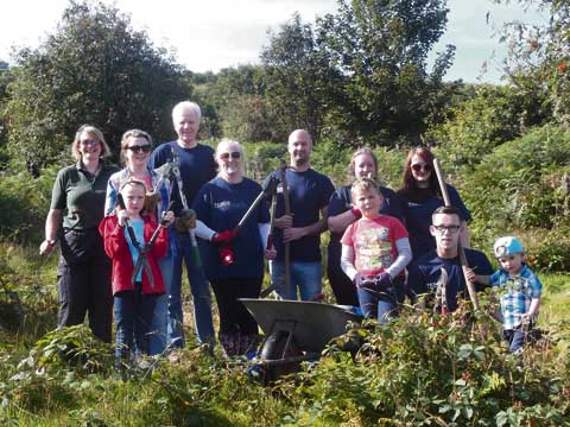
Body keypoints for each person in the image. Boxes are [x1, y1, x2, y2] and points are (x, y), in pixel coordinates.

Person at [192, 139, 272, 357]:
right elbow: (194, 222)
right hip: (220, 264)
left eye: (235, 155)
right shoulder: (209, 190)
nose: (231, 160)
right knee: (228, 311)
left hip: (250, 263)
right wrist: (214, 236)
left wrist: (267, 246)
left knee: (248, 313)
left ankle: (251, 358)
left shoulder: (254, 189)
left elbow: (263, 223)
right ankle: (232, 359)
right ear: (217, 160)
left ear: (242, 158)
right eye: (225, 155)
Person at [39, 125, 119, 342]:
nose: (90, 145)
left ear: (101, 145)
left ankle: (99, 357)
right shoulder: (67, 174)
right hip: (74, 243)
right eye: (85, 142)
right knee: (71, 306)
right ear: (78, 146)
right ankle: (65, 356)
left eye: (94, 141)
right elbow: (55, 212)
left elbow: (129, 203)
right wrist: (49, 239)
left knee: (102, 306)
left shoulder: (114, 174)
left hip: (105, 244)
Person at [149, 101, 216, 347]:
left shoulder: (208, 155)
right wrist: (168, 219)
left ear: (198, 124)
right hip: (169, 233)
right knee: (171, 292)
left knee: (201, 290)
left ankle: (206, 343)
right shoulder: (162, 152)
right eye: (182, 122)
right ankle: (175, 344)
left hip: (199, 232)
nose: (186, 127)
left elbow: (216, 191)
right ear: (174, 124)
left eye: (191, 122)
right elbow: (151, 191)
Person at [104, 129, 175, 355]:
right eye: (135, 148)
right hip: (128, 255)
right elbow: (108, 217)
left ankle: (155, 360)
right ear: (125, 151)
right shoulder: (116, 181)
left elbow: (167, 212)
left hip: (158, 251)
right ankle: (129, 361)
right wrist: (123, 216)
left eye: (145, 147)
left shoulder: (161, 180)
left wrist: (169, 220)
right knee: (128, 315)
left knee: (159, 308)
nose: (141, 152)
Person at [99, 179, 173, 368]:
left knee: (143, 330)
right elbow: (112, 251)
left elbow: (160, 251)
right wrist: (120, 226)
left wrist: (163, 228)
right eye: (130, 197)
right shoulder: (111, 222)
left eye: (140, 197)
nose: (135, 202)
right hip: (124, 284)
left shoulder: (150, 222)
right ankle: (122, 372)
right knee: (124, 330)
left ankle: (142, 371)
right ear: (121, 198)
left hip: (148, 284)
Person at [263, 129, 335, 301]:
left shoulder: (321, 182)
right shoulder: (274, 179)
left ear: (310, 147)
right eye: (295, 144)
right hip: (280, 260)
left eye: (304, 144)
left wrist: (302, 231)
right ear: (289, 147)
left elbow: (328, 220)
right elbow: (259, 215)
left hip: (309, 260)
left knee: (312, 309)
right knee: (285, 311)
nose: (299, 148)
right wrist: (276, 222)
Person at [328, 147, 405, 306]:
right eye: (361, 166)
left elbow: (399, 231)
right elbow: (334, 225)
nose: (366, 169)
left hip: (384, 272)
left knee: (383, 315)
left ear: (376, 168)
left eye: (370, 165)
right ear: (354, 168)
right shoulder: (342, 194)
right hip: (347, 269)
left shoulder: (388, 195)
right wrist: (359, 208)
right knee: (350, 313)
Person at [340, 178, 411, 323]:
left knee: (387, 324)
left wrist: (389, 274)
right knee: (368, 325)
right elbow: (345, 260)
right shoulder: (352, 228)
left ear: (380, 199)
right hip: (365, 286)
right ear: (355, 205)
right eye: (362, 199)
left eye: (371, 197)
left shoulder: (393, 223)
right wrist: (355, 276)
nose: (367, 202)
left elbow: (406, 253)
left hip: (390, 283)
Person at [407, 206, 493, 312]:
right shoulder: (421, 267)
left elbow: (493, 297)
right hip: (436, 321)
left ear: (460, 230)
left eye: (452, 227)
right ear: (432, 230)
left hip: (474, 320)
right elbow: (418, 310)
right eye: (441, 227)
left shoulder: (478, 260)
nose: (447, 233)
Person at [466, 236, 542, 353]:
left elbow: (536, 296)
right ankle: (533, 341)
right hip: (508, 321)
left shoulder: (528, 276)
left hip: (523, 321)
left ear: (522, 256)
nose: (508, 263)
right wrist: (476, 278)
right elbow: (489, 280)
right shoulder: (502, 274)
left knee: (515, 349)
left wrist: (530, 313)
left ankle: (518, 360)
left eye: (512, 258)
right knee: (508, 346)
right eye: (503, 261)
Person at [397, 147, 471, 261]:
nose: (422, 170)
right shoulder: (401, 196)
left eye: (427, 167)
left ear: (433, 168)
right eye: (417, 167)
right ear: (409, 168)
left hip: (449, 255)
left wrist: (466, 256)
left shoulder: (446, 191)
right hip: (417, 259)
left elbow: (462, 226)